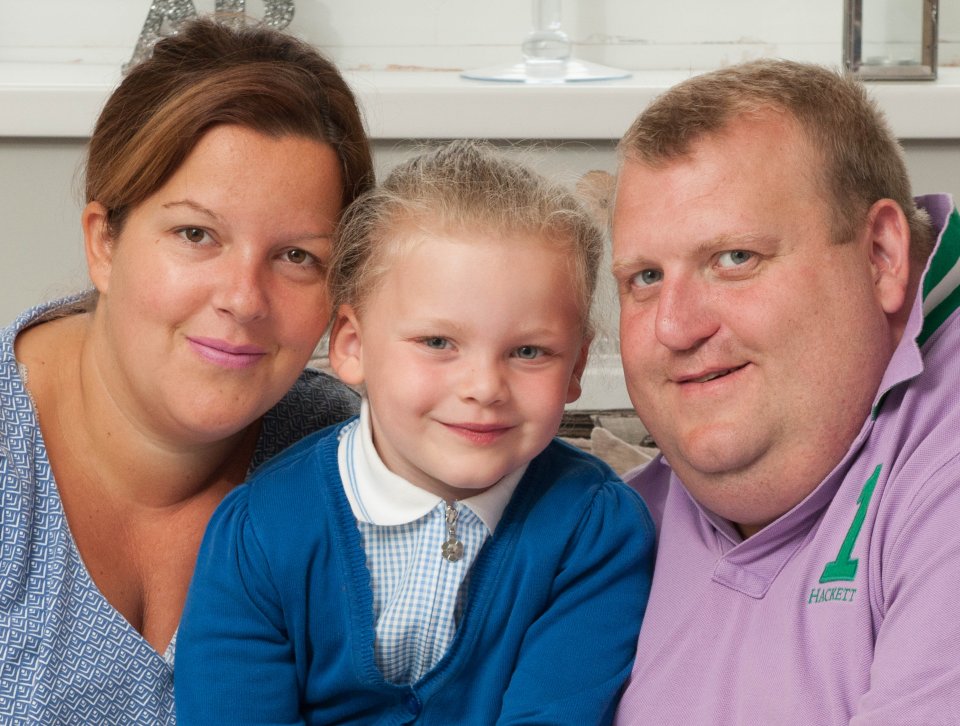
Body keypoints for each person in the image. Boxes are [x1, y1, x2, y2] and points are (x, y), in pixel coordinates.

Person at [175, 140, 655, 725]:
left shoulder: (596, 531)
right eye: (438, 343)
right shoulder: (260, 533)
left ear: (577, 367)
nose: (484, 387)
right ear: (351, 346)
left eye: (529, 351)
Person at [0, 16, 374, 724]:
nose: (242, 299)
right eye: (196, 234)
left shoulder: (349, 461)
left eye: (297, 256)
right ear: (103, 243)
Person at [611, 58, 960, 723]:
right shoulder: (607, 525)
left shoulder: (942, 466)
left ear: (881, 256)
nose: (675, 328)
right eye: (646, 278)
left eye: (735, 259)